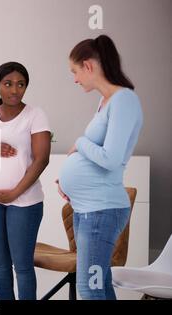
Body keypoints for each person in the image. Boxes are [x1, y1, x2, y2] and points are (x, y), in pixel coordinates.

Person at [58, 35, 143, 300]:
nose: (75, 79)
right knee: (99, 286)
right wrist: (68, 182)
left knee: (89, 287)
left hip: (102, 210)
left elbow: (111, 158)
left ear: (89, 66)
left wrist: (80, 143)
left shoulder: (124, 100)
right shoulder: (105, 101)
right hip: (88, 208)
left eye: (75, 71)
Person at [0, 62, 51, 300]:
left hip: (25, 202)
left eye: (21, 84)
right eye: (8, 84)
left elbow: (42, 159)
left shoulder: (35, 115)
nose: (14, 90)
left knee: (23, 266)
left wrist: (14, 193)